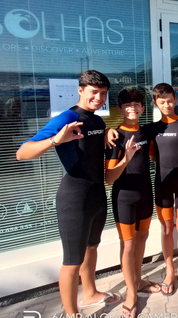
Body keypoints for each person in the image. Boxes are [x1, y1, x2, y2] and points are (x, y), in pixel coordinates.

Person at [16, 70, 121, 315]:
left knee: (92, 248)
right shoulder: (66, 117)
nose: (98, 98)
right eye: (94, 92)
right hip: (74, 199)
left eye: (103, 93)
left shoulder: (97, 120)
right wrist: (56, 140)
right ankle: (71, 313)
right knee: (72, 261)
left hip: (96, 196)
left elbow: (93, 145)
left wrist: (107, 133)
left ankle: (91, 292)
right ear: (81, 90)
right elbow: (22, 153)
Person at [104, 89, 160, 317]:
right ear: (120, 109)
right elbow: (109, 178)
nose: (133, 108)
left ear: (143, 108)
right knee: (128, 245)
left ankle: (137, 280)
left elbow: (158, 150)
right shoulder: (116, 137)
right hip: (124, 197)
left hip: (146, 193)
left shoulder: (146, 131)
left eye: (137, 104)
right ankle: (130, 293)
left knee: (142, 240)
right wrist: (125, 159)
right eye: (127, 105)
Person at [144, 83, 178, 294]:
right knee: (167, 228)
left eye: (169, 100)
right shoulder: (152, 129)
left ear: (175, 100)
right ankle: (169, 270)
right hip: (163, 186)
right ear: (155, 103)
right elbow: (152, 156)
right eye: (161, 101)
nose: (166, 104)